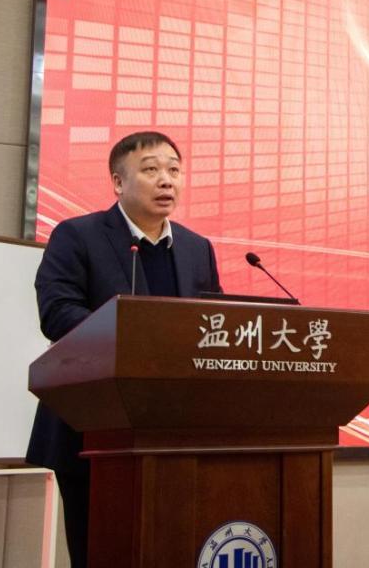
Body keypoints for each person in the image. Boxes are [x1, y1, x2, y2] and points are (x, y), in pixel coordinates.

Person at [25, 131, 222, 567]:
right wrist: (136, 335)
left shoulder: (197, 248)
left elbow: (215, 327)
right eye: (151, 169)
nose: (166, 180)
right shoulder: (77, 235)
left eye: (174, 170)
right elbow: (57, 313)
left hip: (175, 433)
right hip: (92, 430)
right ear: (118, 182)